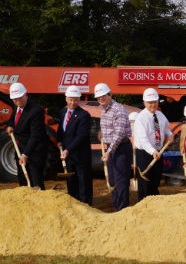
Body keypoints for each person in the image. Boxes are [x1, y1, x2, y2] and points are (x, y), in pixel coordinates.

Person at [95, 83, 133, 211]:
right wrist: (102, 132)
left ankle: (121, 210)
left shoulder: (118, 109)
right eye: (99, 97)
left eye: (103, 96)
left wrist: (109, 151)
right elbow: (110, 126)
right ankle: (117, 207)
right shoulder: (105, 109)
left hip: (121, 148)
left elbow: (119, 133)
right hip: (111, 148)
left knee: (121, 180)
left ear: (110, 94)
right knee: (112, 180)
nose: (101, 98)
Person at [133, 88, 173, 201]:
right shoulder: (140, 119)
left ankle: (154, 206)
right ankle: (144, 207)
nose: (153, 105)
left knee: (155, 182)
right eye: (150, 102)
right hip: (145, 154)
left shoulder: (160, 115)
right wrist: (152, 151)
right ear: (144, 102)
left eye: (155, 102)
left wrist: (170, 135)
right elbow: (143, 140)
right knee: (145, 184)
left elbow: (166, 129)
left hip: (158, 153)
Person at [5, 82, 47, 190]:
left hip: (34, 152)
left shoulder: (35, 111)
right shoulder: (17, 107)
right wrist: (10, 126)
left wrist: (25, 154)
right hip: (20, 149)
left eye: (20, 98)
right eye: (15, 99)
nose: (18, 101)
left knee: (36, 182)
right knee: (23, 180)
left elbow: (35, 136)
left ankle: (39, 204)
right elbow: (13, 119)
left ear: (26, 94)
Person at [56, 85, 93, 205]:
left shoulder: (84, 115)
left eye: (76, 100)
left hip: (80, 155)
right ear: (66, 99)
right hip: (68, 155)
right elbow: (61, 130)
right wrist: (59, 140)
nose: (73, 102)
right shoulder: (62, 112)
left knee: (83, 181)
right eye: (70, 100)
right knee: (71, 181)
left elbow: (81, 136)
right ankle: (73, 204)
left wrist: (68, 150)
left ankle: (86, 205)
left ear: (79, 99)